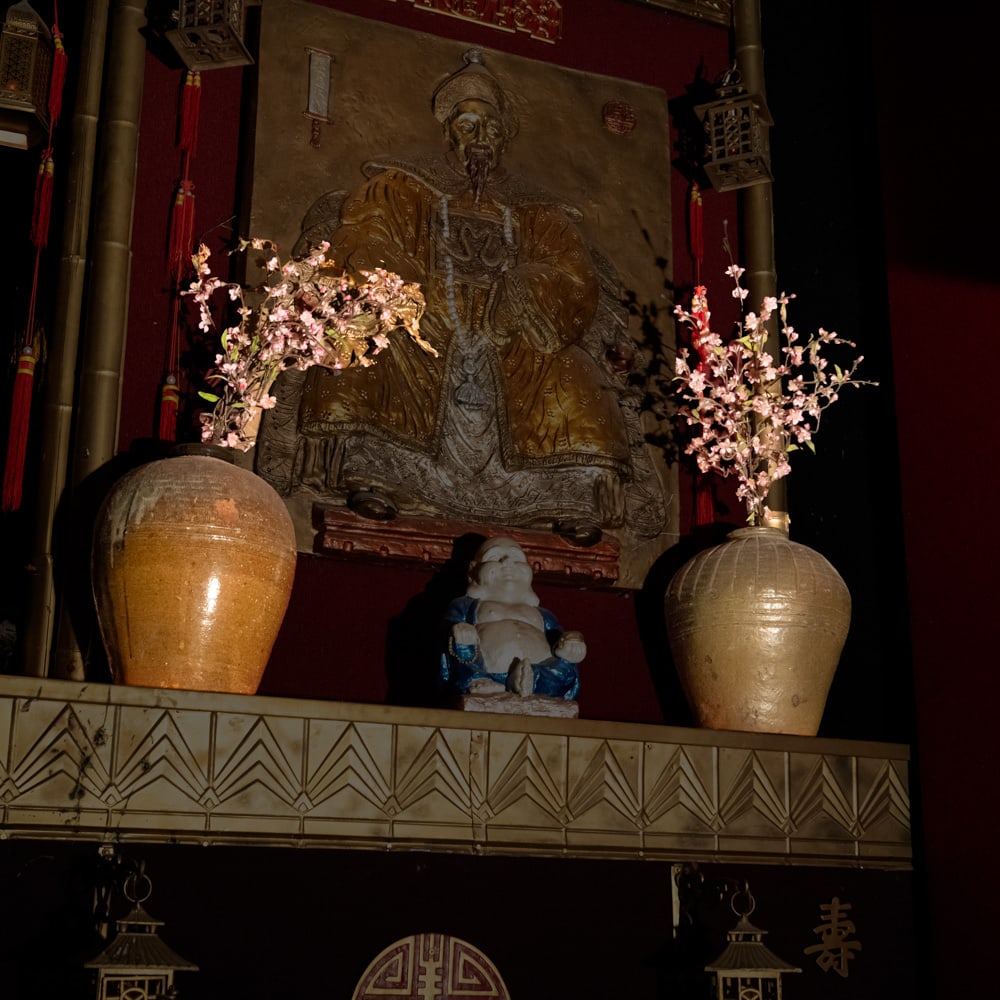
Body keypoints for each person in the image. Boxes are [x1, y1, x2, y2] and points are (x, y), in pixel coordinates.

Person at [258, 49, 664, 543]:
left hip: (517, 334)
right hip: (421, 323)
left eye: (491, 129)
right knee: (373, 358)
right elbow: (362, 238)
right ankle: (377, 480)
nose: (480, 139)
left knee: (571, 377)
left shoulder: (538, 211)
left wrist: (524, 291)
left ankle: (570, 497)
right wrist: (407, 292)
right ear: (449, 129)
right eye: (469, 125)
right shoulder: (400, 186)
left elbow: (573, 272)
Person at [440, 536, 584, 701]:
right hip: (482, 668)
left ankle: (527, 682)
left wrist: (572, 642)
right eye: (495, 557)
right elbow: (446, 627)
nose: (508, 561)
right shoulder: (467, 605)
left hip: (537, 670)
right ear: (473, 570)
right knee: (460, 642)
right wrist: (460, 629)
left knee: (565, 665)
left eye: (517, 559)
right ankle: (481, 679)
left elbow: (558, 636)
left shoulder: (543, 614)